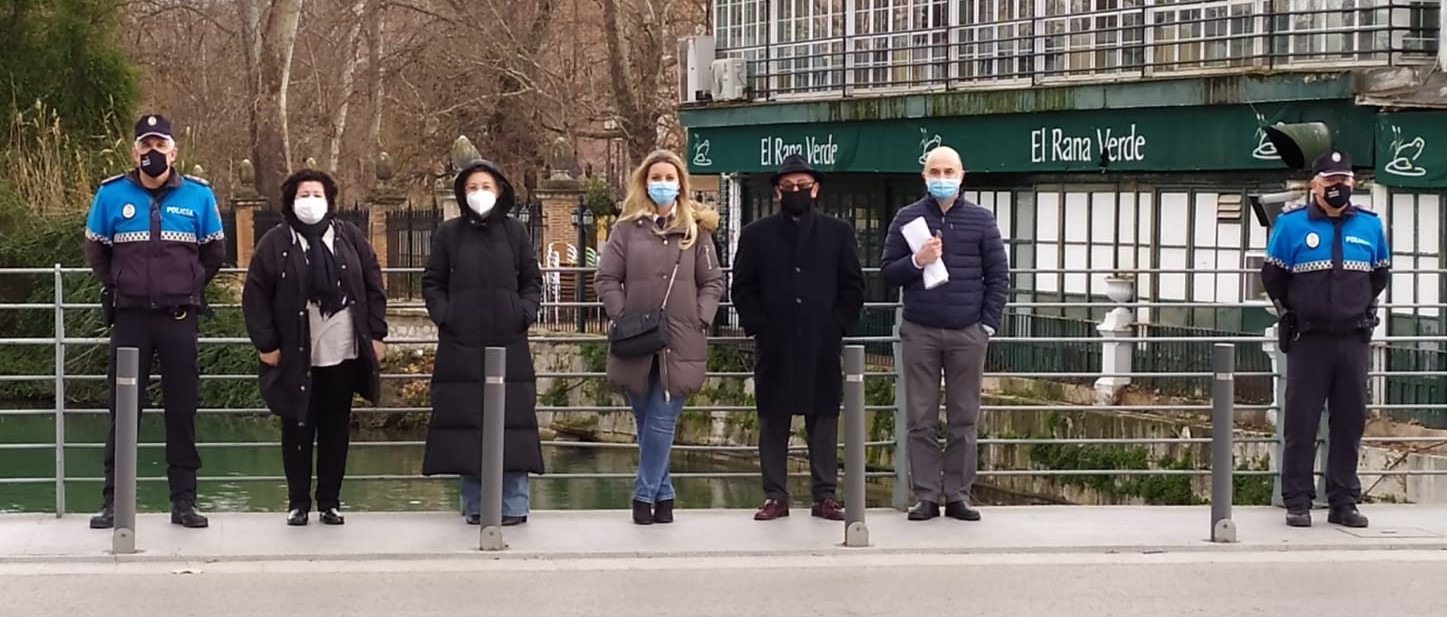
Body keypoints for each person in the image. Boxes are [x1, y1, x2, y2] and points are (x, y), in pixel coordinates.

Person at [83, 114, 224, 530]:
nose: (153, 152)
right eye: (146, 145)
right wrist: (120, 285)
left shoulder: (199, 195)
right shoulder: (111, 194)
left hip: (179, 319)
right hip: (130, 320)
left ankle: (184, 502)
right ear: (135, 152)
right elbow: (96, 250)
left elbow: (215, 253)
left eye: (160, 145)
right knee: (123, 411)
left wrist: (189, 284)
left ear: (173, 152)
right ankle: (114, 502)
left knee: (182, 410)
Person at [241, 169, 388, 526]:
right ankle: (298, 502)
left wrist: (376, 334)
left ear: (329, 200)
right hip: (295, 352)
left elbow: (373, 284)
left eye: (317, 194)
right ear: (291, 201)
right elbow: (255, 296)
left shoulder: (349, 236)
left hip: (344, 348)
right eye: (303, 195)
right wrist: (266, 343)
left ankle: (330, 502)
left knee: (336, 427)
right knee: (297, 427)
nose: (311, 201)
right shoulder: (275, 243)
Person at [730, 154, 864, 522]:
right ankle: (775, 496)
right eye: (788, 186)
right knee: (773, 420)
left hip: (822, 342)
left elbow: (853, 286)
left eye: (802, 186)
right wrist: (760, 325)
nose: (795, 191)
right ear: (777, 191)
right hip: (775, 342)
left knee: (824, 419)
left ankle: (825, 496)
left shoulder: (838, 232)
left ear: (815, 189)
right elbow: (742, 287)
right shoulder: (755, 235)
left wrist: (837, 325)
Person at [595, 149, 725, 525]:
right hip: (635, 338)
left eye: (670, 178)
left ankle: (643, 496)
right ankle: (664, 497)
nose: (663, 184)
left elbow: (713, 282)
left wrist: (700, 318)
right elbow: (606, 277)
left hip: (681, 340)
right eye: (656, 177)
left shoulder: (696, 232)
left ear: (681, 184)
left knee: (661, 420)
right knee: (644, 418)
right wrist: (621, 314)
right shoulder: (626, 230)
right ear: (645, 182)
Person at [880, 145, 1008, 522]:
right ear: (924, 176)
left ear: (961, 175)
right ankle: (925, 495)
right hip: (920, 330)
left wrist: (986, 326)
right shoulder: (907, 218)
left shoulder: (982, 220)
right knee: (920, 418)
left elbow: (998, 276)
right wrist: (917, 261)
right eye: (934, 172)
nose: (941, 178)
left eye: (948, 172)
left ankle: (957, 495)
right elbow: (888, 272)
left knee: (963, 418)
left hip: (967, 332)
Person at [1262, 149, 1389, 529]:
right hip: (1309, 339)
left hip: (1352, 339)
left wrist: (1361, 308)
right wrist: (1291, 313)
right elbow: (1273, 277)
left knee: (1349, 423)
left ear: (1353, 183)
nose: (1338, 187)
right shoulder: (1292, 225)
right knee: (1301, 423)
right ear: (1314, 185)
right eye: (1331, 181)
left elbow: (1379, 275)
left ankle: (1343, 502)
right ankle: (1298, 501)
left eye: (1344, 181)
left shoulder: (1369, 225)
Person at [421, 158, 544, 526]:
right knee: (467, 421)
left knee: (514, 422)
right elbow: (432, 282)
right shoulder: (449, 234)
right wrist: (446, 315)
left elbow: (531, 279)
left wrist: (523, 312)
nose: (479, 193)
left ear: (499, 190)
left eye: (485, 187)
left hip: (509, 341)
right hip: (461, 343)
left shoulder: (515, 232)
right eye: (472, 187)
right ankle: (475, 503)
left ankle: (514, 504)